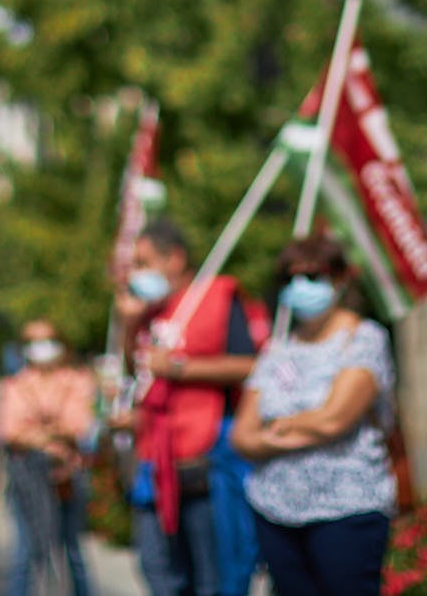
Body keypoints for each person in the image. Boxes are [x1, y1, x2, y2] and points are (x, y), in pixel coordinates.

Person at [231, 235, 396, 596]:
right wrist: (306, 426)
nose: (300, 287)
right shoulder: (278, 348)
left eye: (312, 276)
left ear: (339, 279)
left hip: (346, 510)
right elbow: (242, 435)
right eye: (291, 278)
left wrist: (276, 427)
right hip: (274, 509)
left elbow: (334, 420)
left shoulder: (364, 339)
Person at [114, 218, 264, 596]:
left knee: (212, 575)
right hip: (157, 458)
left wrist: (181, 368)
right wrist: (128, 326)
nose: (136, 273)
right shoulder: (149, 311)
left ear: (175, 258)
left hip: (206, 456)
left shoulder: (217, 296)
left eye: (144, 262)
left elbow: (250, 365)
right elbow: (138, 374)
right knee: (158, 567)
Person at [0, 317, 96, 596]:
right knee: (27, 549)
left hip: (66, 475)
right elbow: (8, 431)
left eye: (47, 340)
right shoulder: (14, 385)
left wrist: (35, 432)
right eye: (33, 342)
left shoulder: (77, 380)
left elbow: (80, 425)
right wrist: (53, 432)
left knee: (72, 549)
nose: (41, 348)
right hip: (27, 476)